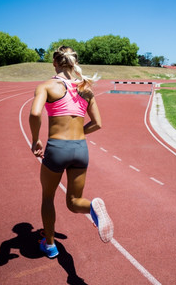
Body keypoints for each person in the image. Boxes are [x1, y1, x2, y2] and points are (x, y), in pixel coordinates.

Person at [29, 46, 113, 259]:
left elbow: (35, 113)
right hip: (80, 149)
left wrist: (35, 139)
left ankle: (49, 245)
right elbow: (98, 124)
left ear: (55, 63)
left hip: (57, 148)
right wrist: (78, 133)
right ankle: (92, 208)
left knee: (48, 198)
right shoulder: (85, 89)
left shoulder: (46, 86)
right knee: (74, 201)